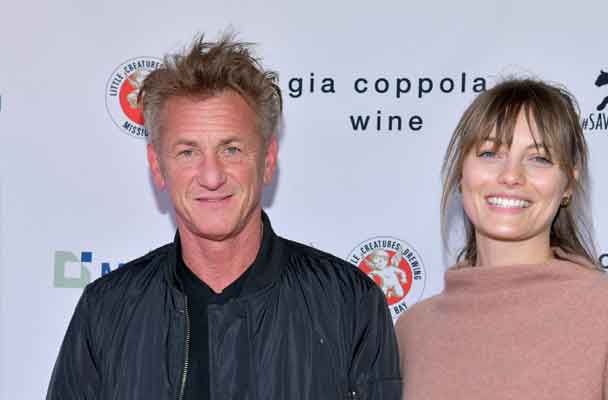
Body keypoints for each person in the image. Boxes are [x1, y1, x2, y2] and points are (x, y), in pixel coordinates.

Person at [46, 33, 401, 400]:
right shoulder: (106, 310)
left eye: (231, 149)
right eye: (188, 152)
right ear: (157, 165)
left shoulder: (348, 302)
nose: (212, 176)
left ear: (267, 161)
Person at [396, 78, 608, 399]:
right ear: (460, 172)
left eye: (539, 158)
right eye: (490, 153)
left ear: (568, 184)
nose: (511, 175)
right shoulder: (412, 331)